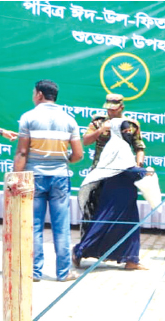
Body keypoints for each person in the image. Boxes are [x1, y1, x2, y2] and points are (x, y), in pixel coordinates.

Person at [13, 79, 83, 282]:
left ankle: (34, 272)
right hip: (60, 177)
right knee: (61, 226)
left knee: (34, 225)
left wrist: (16, 177)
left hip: (34, 177)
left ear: (40, 95)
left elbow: (22, 152)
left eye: (34, 92)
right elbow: (78, 155)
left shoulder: (28, 117)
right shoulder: (70, 120)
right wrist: (63, 160)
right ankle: (64, 273)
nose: (33, 96)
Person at [73, 118, 153, 270]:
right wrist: (144, 172)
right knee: (103, 224)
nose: (128, 134)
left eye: (129, 131)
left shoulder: (122, 145)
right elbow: (126, 169)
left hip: (126, 193)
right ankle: (79, 251)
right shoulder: (118, 145)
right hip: (114, 193)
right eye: (124, 131)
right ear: (117, 131)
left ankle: (131, 259)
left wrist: (141, 170)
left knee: (130, 225)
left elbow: (129, 167)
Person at [81, 94, 145, 242]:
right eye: (108, 109)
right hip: (100, 173)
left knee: (119, 213)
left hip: (121, 174)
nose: (110, 112)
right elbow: (86, 141)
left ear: (121, 107)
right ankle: (83, 249)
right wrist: (101, 129)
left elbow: (139, 147)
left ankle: (114, 250)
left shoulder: (130, 125)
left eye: (113, 109)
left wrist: (137, 166)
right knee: (92, 212)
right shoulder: (98, 122)